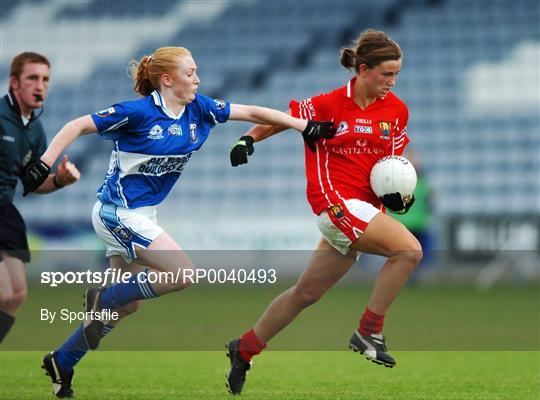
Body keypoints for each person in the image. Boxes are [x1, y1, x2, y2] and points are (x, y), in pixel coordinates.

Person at [21, 46, 335, 398]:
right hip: (116, 213)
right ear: (168, 80)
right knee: (182, 273)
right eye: (190, 73)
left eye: (197, 72)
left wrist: (302, 125)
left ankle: (62, 360)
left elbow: (249, 111)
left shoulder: (199, 108)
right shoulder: (138, 113)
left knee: (129, 304)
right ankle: (103, 299)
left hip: (142, 215)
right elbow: (78, 124)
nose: (198, 79)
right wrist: (44, 163)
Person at [226, 29, 422, 395]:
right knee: (408, 251)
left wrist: (401, 198)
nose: (392, 82)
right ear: (363, 70)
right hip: (334, 203)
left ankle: (245, 348)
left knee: (305, 294)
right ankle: (369, 331)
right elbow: (281, 119)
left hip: (363, 208)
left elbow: (395, 163)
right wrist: (248, 138)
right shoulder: (329, 103)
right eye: (386, 74)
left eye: (396, 75)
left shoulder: (396, 111)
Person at [0, 52, 80, 345]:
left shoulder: (35, 128)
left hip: (5, 210)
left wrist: (59, 180)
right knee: (3, 292)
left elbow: (32, 183)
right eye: (32, 78)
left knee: (16, 295)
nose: (40, 85)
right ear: (14, 83)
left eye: (45, 79)